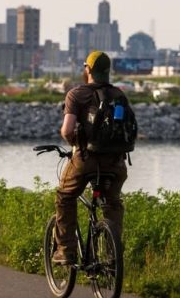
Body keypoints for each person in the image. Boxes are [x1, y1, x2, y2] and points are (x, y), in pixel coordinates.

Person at [53, 51, 130, 264]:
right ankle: (112, 254)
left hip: (87, 158)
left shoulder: (76, 94)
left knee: (65, 196)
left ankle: (65, 250)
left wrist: (77, 146)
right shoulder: (120, 95)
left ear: (88, 69)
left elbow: (67, 130)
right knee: (112, 203)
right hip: (116, 162)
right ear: (108, 71)